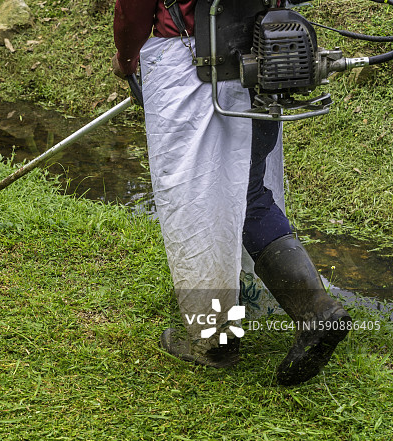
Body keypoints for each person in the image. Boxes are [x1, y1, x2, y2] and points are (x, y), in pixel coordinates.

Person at [112, 0, 352, 385]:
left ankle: (214, 340)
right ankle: (317, 311)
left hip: (192, 71)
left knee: (195, 205)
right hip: (263, 63)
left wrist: (126, 60)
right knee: (250, 193)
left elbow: (132, 10)